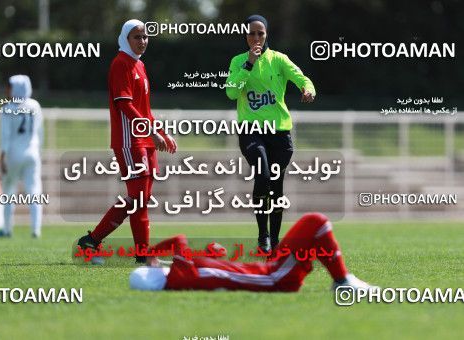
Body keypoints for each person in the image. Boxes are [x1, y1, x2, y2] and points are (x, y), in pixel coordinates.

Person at [77, 19, 177, 263]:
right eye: (136, 37)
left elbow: (146, 109)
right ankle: (134, 252)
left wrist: (161, 132)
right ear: (125, 38)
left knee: (139, 198)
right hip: (130, 140)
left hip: (145, 139)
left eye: (144, 37)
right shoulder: (120, 63)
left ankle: (96, 243)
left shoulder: (139, 65)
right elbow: (124, 104)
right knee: (139, 198)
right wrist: (150, 132)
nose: (142, 41)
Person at [225, 15, 316, 253]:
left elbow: (302, 78)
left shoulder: (279, 60)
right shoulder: (238, 62)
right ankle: (262, 235)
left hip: (279, 133)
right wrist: (249, 65)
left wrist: (308, 89)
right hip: (251, 131)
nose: (256, 38)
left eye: (261, 33)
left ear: (266, 35)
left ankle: (275, 241)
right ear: (245, 36)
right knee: (263, 176)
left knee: (276, 187)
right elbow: (231, 93)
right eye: (252, 33)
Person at [129, 213, 377, 292]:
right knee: (316, 223)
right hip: (274, 276)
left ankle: (342, 281)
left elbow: (214, 263)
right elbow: (179, 240)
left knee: (315, 228)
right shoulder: (179, 276)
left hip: (272, 270)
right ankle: (343, 281)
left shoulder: (184, 274)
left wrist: (213, 253)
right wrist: (151, 253)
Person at [0, 75, 44, 238]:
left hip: (14, 153)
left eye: (9, 87)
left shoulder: (8, 107)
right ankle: (36, 230)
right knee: (34, 191)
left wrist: (2, 157)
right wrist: (38, 150)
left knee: (8, 191)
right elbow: (39, 132)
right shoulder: (35, 105)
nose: (7, 90)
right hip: (33, 152)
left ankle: (7, 229)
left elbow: (5, 135)